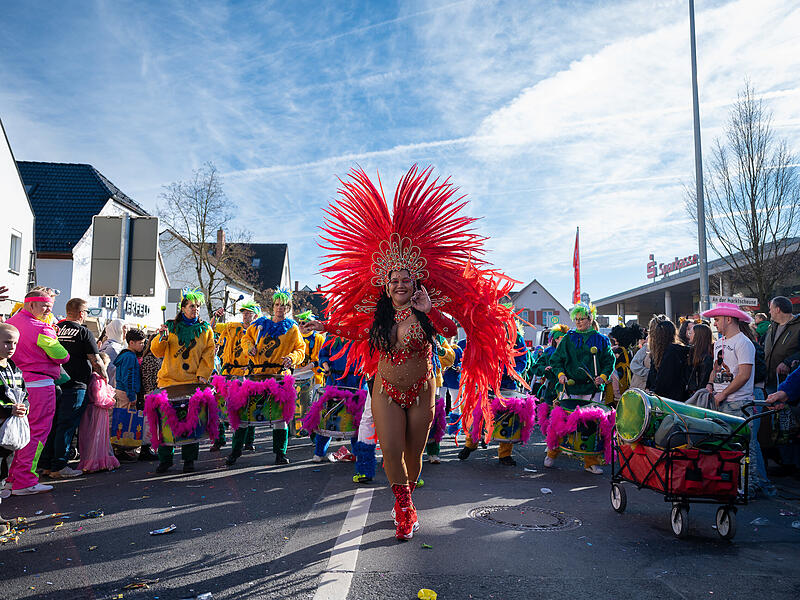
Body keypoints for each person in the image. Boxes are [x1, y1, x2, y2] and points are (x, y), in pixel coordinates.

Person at [305, 165, 518, 540]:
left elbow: (451, 331)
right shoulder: (378, 315)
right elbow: (354, 330)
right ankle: (403, 506)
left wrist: (428, 310)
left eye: (406, 279)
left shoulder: (427, 309)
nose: (400, 284)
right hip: (385, 389)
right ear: (385, 284)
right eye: (394, 280)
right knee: (390, 450)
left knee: (413, 456)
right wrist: (326, 327)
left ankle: (406, 495)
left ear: (415, 281)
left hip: (422, 390)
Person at [702, 301, 773, 496]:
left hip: (739, 404)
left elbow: (744, 375)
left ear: (728, 319)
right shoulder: (719, 343)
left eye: (717, 319)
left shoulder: (744, 342)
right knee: (724, 447)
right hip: (720, 402)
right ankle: (729, 486)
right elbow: (715, 369)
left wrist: (723, 393)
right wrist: (710, 385)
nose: (714, 323)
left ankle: (748, 488)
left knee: (745, 448)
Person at [229, 289, 305, 466]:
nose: (280, 308)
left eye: (283, 306)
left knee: (280, 419)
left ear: (288, 308)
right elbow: (245, 338)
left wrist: (292, 358)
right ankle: (235, 451)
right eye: (277, 305)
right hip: (256, 376)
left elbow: (301, 350)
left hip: (279, 377)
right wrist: (249, 348)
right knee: (244, 415)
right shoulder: (259, 324)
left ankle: (280, 453)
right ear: (272, 306)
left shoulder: (293, 328)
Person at [5, 289, 69, 495]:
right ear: (31, 305)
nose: (49, 310)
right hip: (40, 384)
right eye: (45, 306)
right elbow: (62, 356)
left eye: (50, 306)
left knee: (21, 432)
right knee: (36, 433)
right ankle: (25, 480)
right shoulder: (42, 328)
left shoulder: (11, 323)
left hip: (16, 384)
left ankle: (13, 478)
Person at [40, 298, 108, 479]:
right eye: (87, 311)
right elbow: (96, 360)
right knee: (67, 426)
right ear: (81, 313)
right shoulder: (83, 332)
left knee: (51, 424)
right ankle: (59, 466)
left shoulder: (54, 328)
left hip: (54, 383)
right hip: (76, 385)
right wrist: (105, 377)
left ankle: (46, 465)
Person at [151, 289, 215, 474]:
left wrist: (203, 375)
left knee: (192, 421)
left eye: (198, 306)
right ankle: (165, 459)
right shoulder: (170, 326)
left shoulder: (205, 329)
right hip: (169, 382)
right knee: (166, 422)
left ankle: (189, 460)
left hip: (192, 383)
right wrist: (161, 338)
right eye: (192, 306)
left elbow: (209, 354)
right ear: (183, 308)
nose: (196, 309)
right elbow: (157, 351)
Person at [545, 302, 614, 474]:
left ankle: (590, 462)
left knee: (591, 426)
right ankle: (552, 453)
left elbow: (609, 361)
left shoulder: (601, 340)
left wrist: (603, 377)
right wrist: (561, 374)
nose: (578, 322)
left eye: (581, 319)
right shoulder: (568, 338)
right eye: (576, 319)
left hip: (592, 389)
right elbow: (556, 360)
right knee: (561, 421)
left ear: (590, 319)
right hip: (570, 388)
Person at [459, 319, 528, 466]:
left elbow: (522, 359)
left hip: (507, 385)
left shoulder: (517, 338)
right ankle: (470, 444)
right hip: (486, 383)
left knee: (507, 419)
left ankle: (505, 454)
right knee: (478, 415)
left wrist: (515, 371)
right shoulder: (486, 334)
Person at [210, 301, 261, 452]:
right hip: (228, 372)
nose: (246, 315)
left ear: (255, 315)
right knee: (220, 406)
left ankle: (248, 441)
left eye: (249, 313)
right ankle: (219, 440)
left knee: (248, 408)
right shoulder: (232, 327)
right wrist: (216, 316)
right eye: (244, 312)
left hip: (247, 374)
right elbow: (212, 327)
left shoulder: (259, 331)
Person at [763, 296, 800, 475]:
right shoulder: (772, 327)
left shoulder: (798, 326)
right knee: (777, 424)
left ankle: (794, 465)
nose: (769, 311)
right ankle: (784, 461)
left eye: (771, 308)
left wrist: (788, 361)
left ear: (778, 309)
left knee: (792, 425)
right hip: (772, 381)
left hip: (792, 385)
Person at [0, 323, 30, 529]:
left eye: (15, 343)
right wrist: (7, 409)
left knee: (2, 474)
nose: (11, 347)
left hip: (7, 432)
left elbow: (24, 394)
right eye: (6, 342)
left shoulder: (14, 368)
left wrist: (24, 407)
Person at [77, 355, 120, 473]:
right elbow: (99, 398)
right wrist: (111, 401)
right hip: (98, 411)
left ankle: (89, 459)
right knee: (98, 435)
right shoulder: (98, 378)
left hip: (89, 410)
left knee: (89, 436)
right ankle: (97, 461)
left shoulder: (90, 377)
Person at [645, 317, 690, 401]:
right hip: (666, 397)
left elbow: (662, 378)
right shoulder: (667, 350)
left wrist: (651, 390)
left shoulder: (670, 351)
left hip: (666, 399)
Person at [113, 328, 146, 408]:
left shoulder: (125, 354)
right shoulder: (130, 356)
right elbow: (128, 377)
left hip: (122, 390)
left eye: (143, 343)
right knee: (125, 415)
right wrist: (132, 396)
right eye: (140, 343)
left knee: (121, 414)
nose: (143, 345)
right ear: (131, 343)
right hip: (126, 393)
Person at [685, 323, 714, 397]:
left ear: (698, 336)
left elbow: (703, 381)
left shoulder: (706, 358)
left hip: (699, 395)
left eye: (691, 333)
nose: (689, 336)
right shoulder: (692, 353)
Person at [99, 319, 127, 388]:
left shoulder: (109, 344)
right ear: (118, 330)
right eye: (124, 330)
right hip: (112, 387)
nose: (126, 333)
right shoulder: (113, 348)